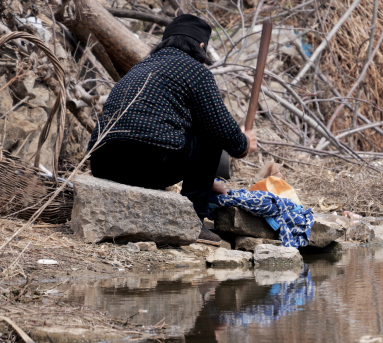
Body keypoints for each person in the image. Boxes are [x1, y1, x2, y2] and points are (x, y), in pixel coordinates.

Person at [87, 14, 257, 246]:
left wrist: (207, 182)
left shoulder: (139, 69)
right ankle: (193, 222)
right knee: (210, 134)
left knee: (175, 132)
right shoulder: (196, 72)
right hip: (149, 163)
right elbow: (229, 138)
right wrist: (246, 142)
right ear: (201, 46)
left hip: (103, 163)